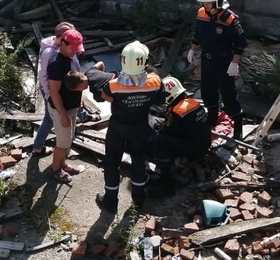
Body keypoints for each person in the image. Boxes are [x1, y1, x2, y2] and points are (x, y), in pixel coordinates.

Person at [95, 41, 164, 213]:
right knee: (139, 161)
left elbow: (102, 96)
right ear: (145, 61)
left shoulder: (113, 85)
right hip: (140, 127)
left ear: (123, 60)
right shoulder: (155, 81)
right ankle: (138, 202)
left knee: (111, 162)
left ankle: (110, 201)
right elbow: (159, 101)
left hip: (118, 128)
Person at [187, 0, 247, 138]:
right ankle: (212, 118)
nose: (205, 6)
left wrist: (234, 63)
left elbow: (240, 43)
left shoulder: (230, 19)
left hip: (224, 62)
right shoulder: (201, 13)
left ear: (218, 1)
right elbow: (198, 34)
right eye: (203, 3)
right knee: (207, 90)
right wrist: (193, 49)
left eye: (208, 3)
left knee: (228, 94)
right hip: (207, 59)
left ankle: (238, 126)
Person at [148, 76, 211, 198]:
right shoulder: (193, 103)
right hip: (203, 144)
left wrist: (156, 126)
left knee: (160, 141)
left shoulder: (178, 112)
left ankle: (166, 184)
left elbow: (167, 132)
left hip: (195, 149)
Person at [45, 29, 86, 183]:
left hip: (70, 107)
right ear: (63, 43)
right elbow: (54, 92)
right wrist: (62, 115)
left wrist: (78, 100)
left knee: (67, 140)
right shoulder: (56, 65)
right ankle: (55, 169)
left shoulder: (70, 58)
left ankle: (63, 164)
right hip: (60, 109)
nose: (75, 52)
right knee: (62, 143)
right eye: (73, 48)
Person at [33, 22, 77, 156]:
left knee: (49, 118)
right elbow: (43, 75)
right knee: (49, 118)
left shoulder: (57, 46)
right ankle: (38, 146)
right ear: (61, 39)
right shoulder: (50, 52)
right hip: (52, 91)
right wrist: (49, 95)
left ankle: (38, 146)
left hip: (57, 90)